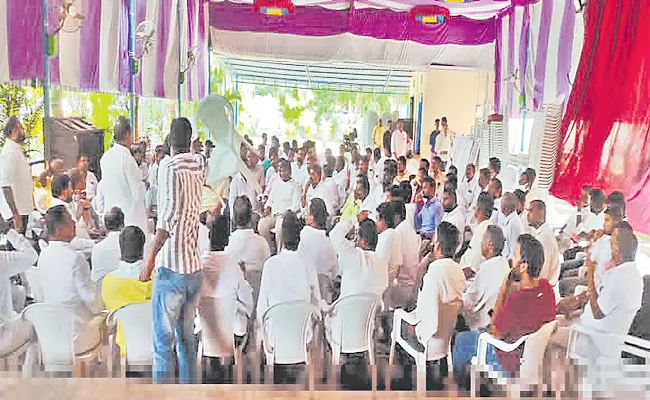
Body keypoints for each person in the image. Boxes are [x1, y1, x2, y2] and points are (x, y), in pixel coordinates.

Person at [139, 117, 206, 384]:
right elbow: (198, 155)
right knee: (187, 342)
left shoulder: (168, 166)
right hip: (194, 268)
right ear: (189, 140)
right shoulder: (199, 162)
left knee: (162, 347)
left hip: (171, 270)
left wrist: (149, 261)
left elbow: (165, 222)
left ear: (169, 139)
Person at [453, 234, 556, 387]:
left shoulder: (517, 299)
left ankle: (461, 388)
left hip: (508, 361)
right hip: (529, 358)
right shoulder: (546, 288)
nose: (511, 258)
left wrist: (504, 288)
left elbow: (495, 333)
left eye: (515, 254)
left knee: (462, 340)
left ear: (523, 266)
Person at [555, 222, 642, 359]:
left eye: (612, 243)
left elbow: (597, 312)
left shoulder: (619, 278)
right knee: (555, 320)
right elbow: (602, 298)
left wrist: (590, 270)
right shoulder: (633, 274)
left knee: (546, 335)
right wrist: (579, 301)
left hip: (594, 342)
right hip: (596, 333)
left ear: (617, 250)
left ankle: (558, 378)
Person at [399, 222, 464, 373]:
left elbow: (429, 320)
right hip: (446, 338)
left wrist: (415, 328)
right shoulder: (458, 272)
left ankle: (409, 377)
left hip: (427, 341)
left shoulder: (434, 273)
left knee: (392, 320)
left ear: (438, 246)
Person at [38, 206, 102, 354]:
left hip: (53, 333)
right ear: (59, 230)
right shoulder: (74, 257)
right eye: (70, 221)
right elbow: (90, 298)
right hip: (78, 333)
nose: (74, 223)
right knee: (109, 320)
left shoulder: (44, 255)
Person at [256, 211, 321, 340]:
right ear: (299, 237)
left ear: (282, 238)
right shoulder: (309, 264)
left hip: (275, 338)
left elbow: (261, 309)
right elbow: (316, 304)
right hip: (302, 337)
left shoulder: (270, 265)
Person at [101, 226, 153, 357]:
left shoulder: (109, 282)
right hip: (158, 349)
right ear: (143, 248)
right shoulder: (156, 280)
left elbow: (111, 315)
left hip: (126, 348)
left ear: (121, 248)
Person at [200, 215, 254, 340]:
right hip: (231, 333)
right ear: (227, 241)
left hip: (205, 332)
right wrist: (244, 278)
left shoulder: (199, 266)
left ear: (209, 237)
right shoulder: (234, 267)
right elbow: (248, 302)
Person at [0, 217, 38, 366]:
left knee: (18, 294)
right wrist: (8, 231)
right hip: (3, 336)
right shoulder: (2, 260)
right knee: (35, 327)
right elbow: (31, 256)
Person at [100, 117, 148, 234]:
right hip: (130, 220)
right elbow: (137, 193)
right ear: (128, 134)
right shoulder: (127, 159)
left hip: (112, 218)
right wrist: (145, 185)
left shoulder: (105, 157)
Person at [329, 211, 389, 299]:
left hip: (345, 309)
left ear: (362, 241)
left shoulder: (351, 255)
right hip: (370, 312)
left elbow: (335, 234)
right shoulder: (383, 265)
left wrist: (355, 218)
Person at [461, 226, 509, 331]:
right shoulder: (504, 264)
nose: (481, 243)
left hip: (480, 322)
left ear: (490, 244)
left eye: (483, 240)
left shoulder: (487, 268)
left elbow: (470, 300)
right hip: (494, 317)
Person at [298, 199, 338, 303]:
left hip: (307, 301)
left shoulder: (304, 234)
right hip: (325, 304)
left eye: (308, 213)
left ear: (312, 218)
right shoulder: (330, 244)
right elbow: (335, 274)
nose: (305, 216)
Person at [258, 159, 301, 253]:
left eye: (283, 170)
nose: (281, 173)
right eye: (279, 171)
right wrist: (267, 207)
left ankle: (279, 253)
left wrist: (286, 213)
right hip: (273, 215)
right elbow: (271, 199)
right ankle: (269, 251)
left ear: (289, 171)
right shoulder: (276, 184)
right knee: (262, 225)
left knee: (280, 229)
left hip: (284, 216)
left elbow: (296, 205)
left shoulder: (295, 185)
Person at [0, 116, 33, 234]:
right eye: (21, 128)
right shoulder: (10, 153)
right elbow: (5, 186)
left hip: (21, 211)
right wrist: (15, 214)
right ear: (14, 130)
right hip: (15, 214)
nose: (23, 131)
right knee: (15, 250)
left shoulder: (16, 150)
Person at [391, 201, 422, 307]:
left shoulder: (398, 233)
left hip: (402, 288)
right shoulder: (409, 228)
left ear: (397, 216)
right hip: (412, 285)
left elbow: (395, 267)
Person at [459, 193, 494, 280]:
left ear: (477, 210)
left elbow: (471, 270)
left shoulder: (483, 232)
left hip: (470, 281)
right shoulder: (486, 227)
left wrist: (454, 277)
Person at [526, 200, 559, 285]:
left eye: (531, 211)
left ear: (540, 213)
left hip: (542, 285)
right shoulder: (539, 233)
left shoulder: (544, 238)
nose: (527, 215)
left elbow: (543, 271)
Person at [91, 207, 125, 286]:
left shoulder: (97, 248)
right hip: (124, 288)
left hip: (102, 290)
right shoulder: (129, 245)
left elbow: (94, 277)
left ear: (105, 226)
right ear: (122, 224)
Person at [376, 202, 403, 283]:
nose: (375, 222)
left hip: (382, 284)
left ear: (383, 220)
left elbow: (380, 265)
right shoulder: (395, 234)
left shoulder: (386, 236)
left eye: (377, 219)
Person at [495, 192, 523, 261]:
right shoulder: (507, 218)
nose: (500, 206)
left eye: (502, 203)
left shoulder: (514, 223)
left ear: (507, 209)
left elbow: (513, 250)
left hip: (507, 262)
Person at [146, 146, 167, 219]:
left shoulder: (166, 167)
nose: (158, 156)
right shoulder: (152, 167)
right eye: (157, 153)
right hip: (154, 201)